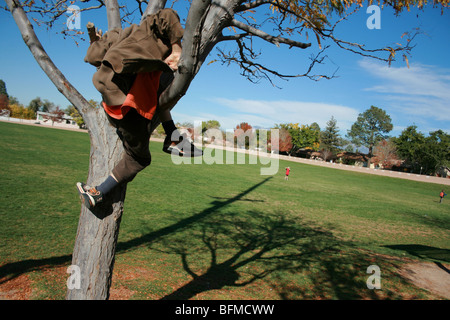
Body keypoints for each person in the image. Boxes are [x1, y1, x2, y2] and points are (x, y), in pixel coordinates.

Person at [77, 8, 202, 209]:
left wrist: (96, 42)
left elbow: (93, 58)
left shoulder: (117, 35)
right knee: (138, 159)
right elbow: (167, 14)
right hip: (131, 104)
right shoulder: (147, 29)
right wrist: (177, 49)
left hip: (112, 102)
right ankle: (98, 193)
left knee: (162, 95)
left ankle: (173, 137)